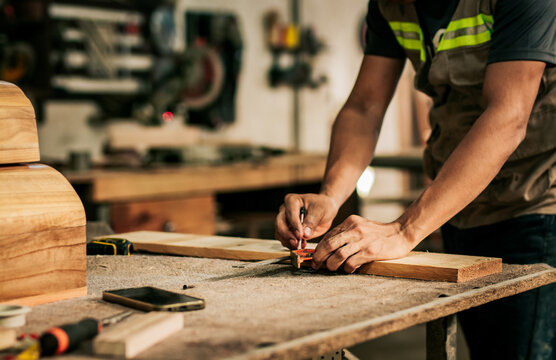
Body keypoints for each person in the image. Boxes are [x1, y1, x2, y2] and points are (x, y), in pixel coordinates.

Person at [275, 0, 555, 359]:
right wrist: (330, 197)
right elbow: (364, 108)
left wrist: (403, 230)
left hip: (536, 201)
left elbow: (508, 115)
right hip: (460, 205)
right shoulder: (391, 4)